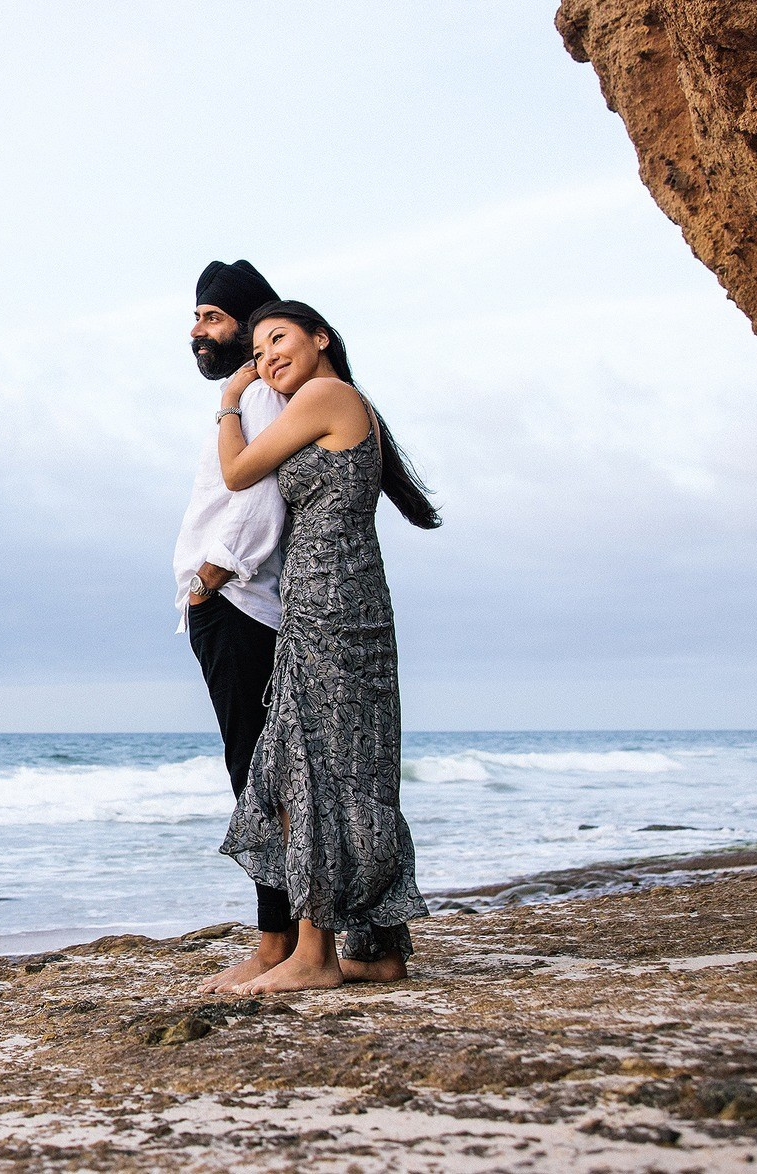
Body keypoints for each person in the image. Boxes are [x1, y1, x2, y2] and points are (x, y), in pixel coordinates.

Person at [213, 299, 441, 994]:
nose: (267, 357)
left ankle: (314, 956)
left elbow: (238, 472)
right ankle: (375, 949)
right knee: (347, 768)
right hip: (343, 593)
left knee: (309, 766)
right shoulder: (336, 401)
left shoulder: (324, 393)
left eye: (278, 339)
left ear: (321, 337)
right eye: (257, 350)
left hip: (329, 598)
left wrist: (230, 398)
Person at [171, 259, 299, 991]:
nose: (197, 332)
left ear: (248, 323)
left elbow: (257, 499)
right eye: (196, 318)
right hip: (235, 606)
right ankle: (279, 934)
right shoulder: (247, 394)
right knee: (259, 774)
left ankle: (274, 941)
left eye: (211, 317)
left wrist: (211, 580)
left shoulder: (255, 399)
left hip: (240, 606)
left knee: (254, 777)